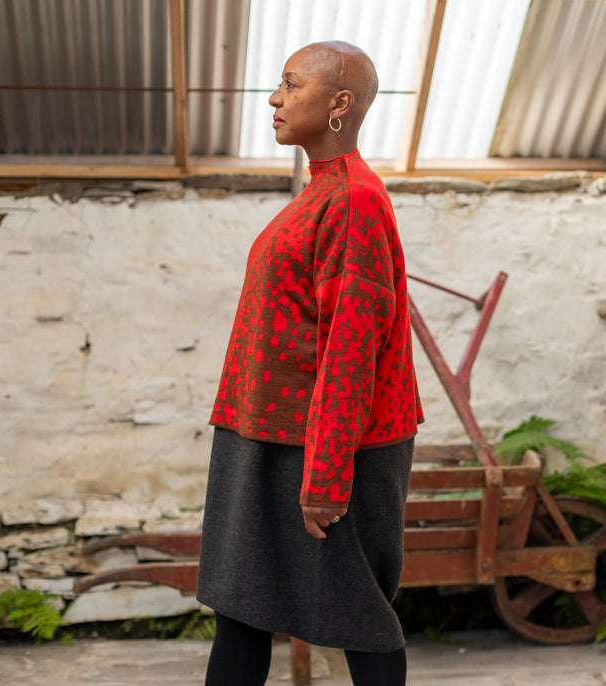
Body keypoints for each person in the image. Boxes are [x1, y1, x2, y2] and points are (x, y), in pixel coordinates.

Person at [196, 41, 424, 686]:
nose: (274, 98)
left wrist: (326, 479)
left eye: (291, 85)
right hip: (263, 435)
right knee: (238, 612)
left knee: (359, 618)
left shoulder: (353, 201)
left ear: (339, 103)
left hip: (326, 449)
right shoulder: (319, 191)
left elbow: (353, 350)